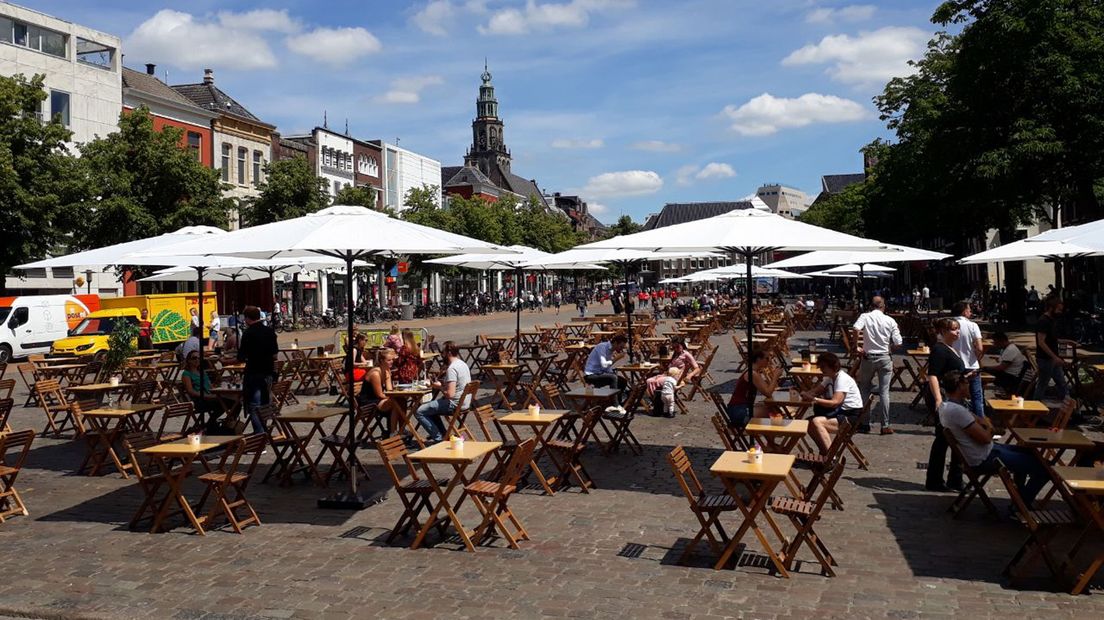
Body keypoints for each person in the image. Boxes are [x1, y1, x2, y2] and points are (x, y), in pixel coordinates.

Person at [938, 370, 1048, 506]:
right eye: (966, 383)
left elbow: (981, 420)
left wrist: (985, 424)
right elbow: (986, 437)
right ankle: (1021, 505)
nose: (969, 386)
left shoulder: (946, 407)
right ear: (959, 385)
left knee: (1029, 452)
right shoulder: (958, 411)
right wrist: (989, 428)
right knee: (1043, 469)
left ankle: (1019, 498)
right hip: (984, 457)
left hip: (984, 452)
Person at [925, 318, 967, 491]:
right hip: (945, 398)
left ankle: (953, 479)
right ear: (943, 331)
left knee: (951, 438)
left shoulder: (951, 349)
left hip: (954, 396)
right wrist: (938, 399)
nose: (957, 332)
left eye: (958, 329)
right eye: (954, 330)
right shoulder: (940, 350)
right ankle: (939, 480)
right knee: (945, 438)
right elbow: (933, 375)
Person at [853, 296, 902, 434]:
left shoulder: (865, 316)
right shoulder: (890, 320)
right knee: (884, 392)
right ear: (883, 306)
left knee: (864, 389)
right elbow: (898, 342)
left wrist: (856, 346)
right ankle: (885, 425)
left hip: (868, 357)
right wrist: (889, 346)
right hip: (885, 357)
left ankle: (864, 423)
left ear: (871, 306)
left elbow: (856, 329)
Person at [802, 352, 864, 454]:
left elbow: (835, 402)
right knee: (808, 423)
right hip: (839, 412)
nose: (821, 369)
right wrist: (804, 394)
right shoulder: (829, 378)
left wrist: (814, 399)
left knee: (817, 422)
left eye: (823, 367)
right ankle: (824, 451)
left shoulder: (842, 379)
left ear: (833, 367)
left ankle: (831, 456)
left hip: (850, 417)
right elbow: (816, 391)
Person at [414, 341, 471, 443]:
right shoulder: (462, 364)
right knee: (431, 409)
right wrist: (439, 385)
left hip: (454, 404)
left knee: (420, 411)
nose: (442, 355)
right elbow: (455, 386)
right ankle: (443, 435)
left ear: (448, 353)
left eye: (443, 352)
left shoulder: (452, 369)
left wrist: (439, 388)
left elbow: (450, 394)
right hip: (465, 402)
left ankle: (439, 439)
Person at [238, 305, 278, 434]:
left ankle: (259, 435)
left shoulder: (248, 333)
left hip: (254, 372)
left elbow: (241, 357)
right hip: (268, 371)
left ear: (247, 318)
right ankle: (264, 431)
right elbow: (275, 355)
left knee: (254, 405)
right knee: (265, 404)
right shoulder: (269, 331)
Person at [726, 349, 779, 427]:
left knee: (771, 407)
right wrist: (775, 377)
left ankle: (770, 436)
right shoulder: (752, 374)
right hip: (739, 411)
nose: (769, 361)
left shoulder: (754, 372)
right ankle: (773, 435)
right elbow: (768, 393)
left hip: (737, 409)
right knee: (773, 412)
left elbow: (767, 389)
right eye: (767, 358)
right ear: (758, 359)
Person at [359, 348, 405, 437]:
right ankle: (393, 432)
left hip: (378, 399)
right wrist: (393, 397)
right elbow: (379, 394)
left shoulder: (387, 370)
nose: (391, 362)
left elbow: (389, 390)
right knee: (395, 403)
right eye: (388, 360)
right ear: (381, 361)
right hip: (368, 401)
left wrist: (395, 395)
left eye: (392, 360)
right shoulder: (375, 373)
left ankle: (402, 430)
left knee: (402, 401)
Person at [951, 301, 985, 416]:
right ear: (964, 311)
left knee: (954, 395)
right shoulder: (973, 326)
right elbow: (980, 347)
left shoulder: (949, 325)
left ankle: (957, 421)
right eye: (969, 310)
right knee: (976, 396)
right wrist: (977, 357)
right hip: (972, 365)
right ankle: (981, 423)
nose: (971, 312)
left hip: (954, 365)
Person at [1033, 296, 1068, 400]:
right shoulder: (1044, 321)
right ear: (1050, 308)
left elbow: (1051, 339)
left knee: (1061, 383)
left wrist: (1065, 341)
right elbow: (1041, 342)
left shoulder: (1052, 320)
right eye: (1058, 310)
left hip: (1052, 359)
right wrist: (1054, 357)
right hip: (1045, 359)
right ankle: (1035, 408)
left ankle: (1068, 407)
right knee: (1043, 384)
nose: (1060, 312)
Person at [583, 334, 628, 400]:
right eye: (621, 347)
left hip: (599, 373)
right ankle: (614, 402)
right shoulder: (602, 347)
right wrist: (616, 358)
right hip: (591, 375)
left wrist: (611, 372)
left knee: (622, 381)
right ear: (615, 343)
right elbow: (604, 365)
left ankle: (617, 400)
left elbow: (606, 368)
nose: (621, 349)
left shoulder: (611, 350)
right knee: (613, 378)